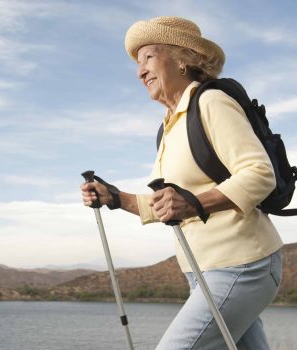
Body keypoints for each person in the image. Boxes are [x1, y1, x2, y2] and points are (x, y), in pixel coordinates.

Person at [80, 16, 283, 350]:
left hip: (240, 265)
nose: (139, 70)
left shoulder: (210, 103)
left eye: (148, 57)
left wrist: (196, 203)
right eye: (137, 63)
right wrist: (113, 197)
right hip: (204, 272)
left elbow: (259, 173)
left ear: (182, 58)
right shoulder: (170, 127)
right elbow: (170, 203)